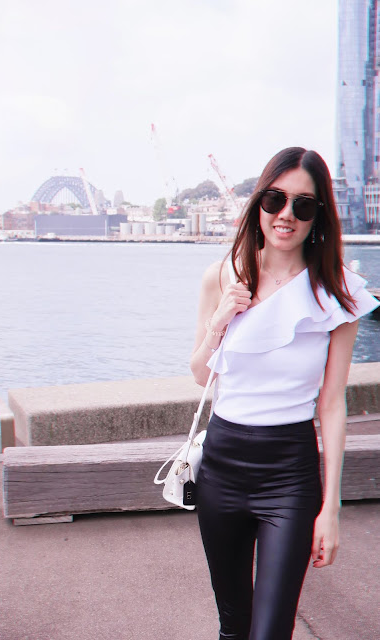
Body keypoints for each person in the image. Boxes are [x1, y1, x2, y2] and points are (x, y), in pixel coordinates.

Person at [190, 147, 379, 640]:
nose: (286, 215)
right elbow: (200, 375)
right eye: (275, 199)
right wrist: (219, 321)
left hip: (289, 474)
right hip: (221, 466)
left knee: (271, 631)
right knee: (234, 626)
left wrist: (331, 509)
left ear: (319, 216)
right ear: (259, 203)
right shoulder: (221, 276)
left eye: (304, 205)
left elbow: (332, 405)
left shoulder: (338, 293)